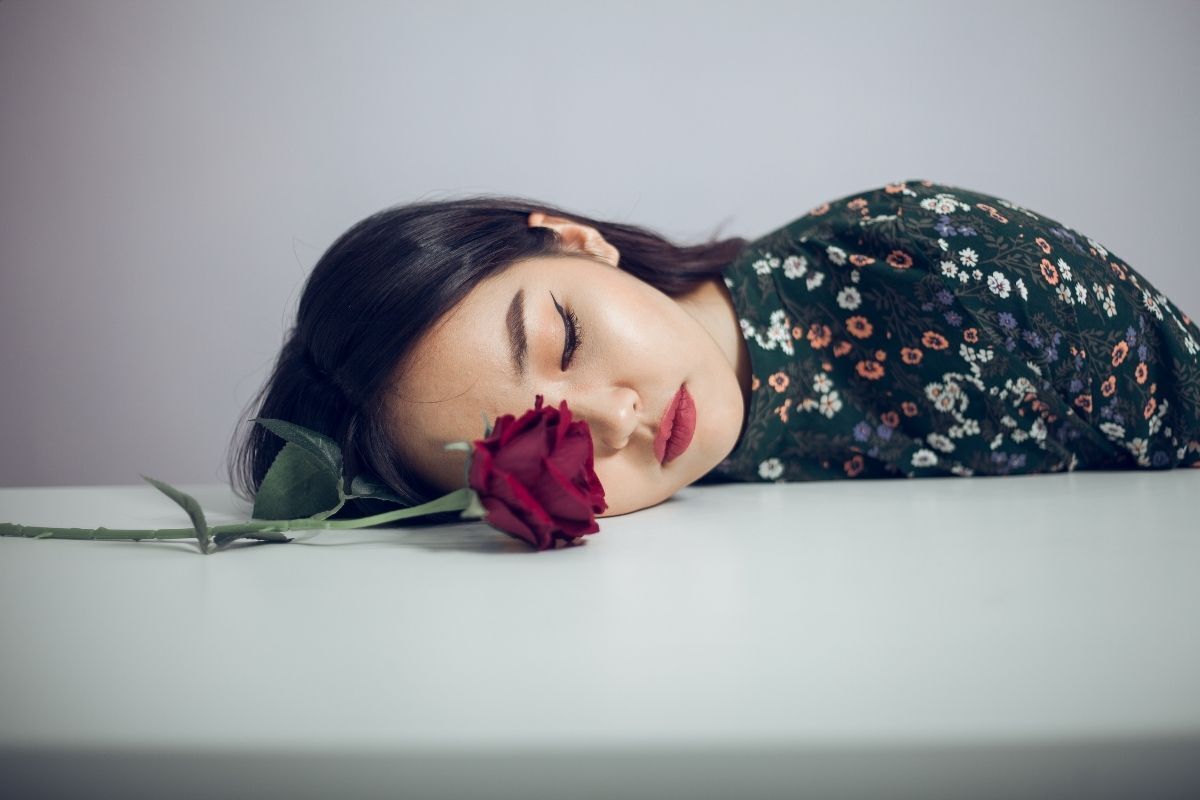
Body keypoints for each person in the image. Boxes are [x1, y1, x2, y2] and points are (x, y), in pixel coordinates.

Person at [228, 179, 1200, 521]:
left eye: (563, 334)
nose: (613, 420)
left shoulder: (920, 261)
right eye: (537, 443)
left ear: (574, 239)